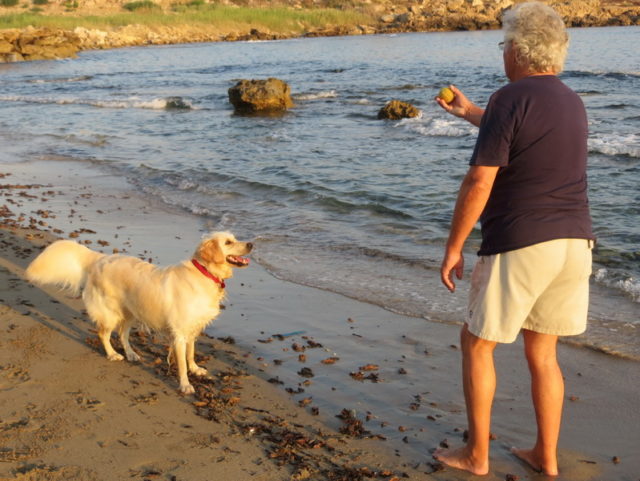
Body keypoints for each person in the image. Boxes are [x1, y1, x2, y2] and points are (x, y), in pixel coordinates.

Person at [434, 1, 595, 476]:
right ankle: (546, 456)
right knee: (542, 352)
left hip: (523, 240)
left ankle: (476, 455)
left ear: (520, 51)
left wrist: (453, 247)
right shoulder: (571, 100)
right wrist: (470, 112)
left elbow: (479, 180)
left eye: (505, 44)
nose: (503, 52)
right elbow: (524, 134)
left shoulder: (510, 96)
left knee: (477, 343)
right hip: (575, 243)